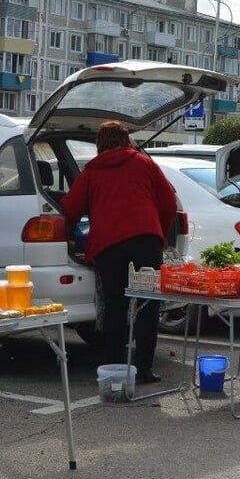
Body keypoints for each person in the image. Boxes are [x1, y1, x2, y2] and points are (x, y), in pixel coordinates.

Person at [60, 121, 177, 383]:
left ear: (100, 143)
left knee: (115, 306)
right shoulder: (144, 163)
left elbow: (70, 209)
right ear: (126, 140)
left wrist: (64, 234)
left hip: (108, 246)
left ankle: (114, 366)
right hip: (146, 242)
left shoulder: (90, 172)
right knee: (147, 303)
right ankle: (144, 369)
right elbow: (169, 199)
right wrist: (162, 232)